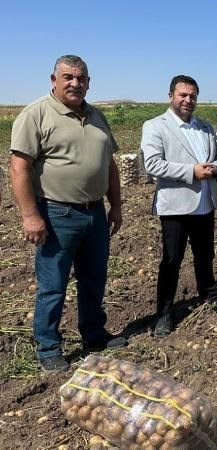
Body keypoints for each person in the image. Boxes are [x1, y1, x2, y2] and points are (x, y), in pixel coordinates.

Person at [9, 55, 126, 372]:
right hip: (56, 213)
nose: (75, 83)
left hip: (94, 214)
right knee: (53, 285)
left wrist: (115, 205)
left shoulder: (97, 115)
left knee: (94, 279)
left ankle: (93, 334)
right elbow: (19, 169)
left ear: (89, 82)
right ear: (54, 80)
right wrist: (30, 216)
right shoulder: (36, 115)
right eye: (68, 77)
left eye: (81, 78)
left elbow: (109, 165)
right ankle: (48, 347)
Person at [141, 75, 217, 337]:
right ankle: (165, 313)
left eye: (192, 96)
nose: (188, 100)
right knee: (171, 260)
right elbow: (153, 164)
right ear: (171, 96)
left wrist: (216, 168)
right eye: (183, 95)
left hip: (205, 204)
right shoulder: (156, 126)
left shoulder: (204, 127)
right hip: (175, 207)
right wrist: (192, 171)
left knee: (205, 255)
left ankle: (209, 295)